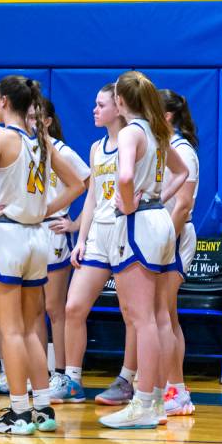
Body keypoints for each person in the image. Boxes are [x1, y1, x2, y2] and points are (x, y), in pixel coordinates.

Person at [0, 76, 84, 435]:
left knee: (10, 331)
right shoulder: (43, 141)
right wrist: (42, 208)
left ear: (3, 101)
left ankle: (19, 412)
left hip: (7, 235)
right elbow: (79, 184)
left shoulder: (0, 137)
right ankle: (43, 410)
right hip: (37, 237)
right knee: (32, 330)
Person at [98, 71, 188, 429]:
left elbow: (123, 177)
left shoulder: (132, 132)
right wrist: (156, 198)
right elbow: (179, 174)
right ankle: (157, 399)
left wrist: (131, 203)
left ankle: (145, 403)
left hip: (139, 225)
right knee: (160, 317)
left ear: (120, 101)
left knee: (142, 319)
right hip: (160, 223)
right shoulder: (158, 130)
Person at [53, 84, 129, 404]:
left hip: (126, 232)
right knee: (73, 307)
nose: (94, 110)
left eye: (101, 105)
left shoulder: (134, 140)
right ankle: (72, 380)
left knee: (132, 313)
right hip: (99, 233)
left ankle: (129, 379)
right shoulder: (97, 147)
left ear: (119, 107)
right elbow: (92, 198)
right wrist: (79, 238)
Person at [27, 99, 90, 390]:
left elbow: (92, 185)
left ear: (48, 121)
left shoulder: (62, 151)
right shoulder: (24, 149)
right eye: (26, 117)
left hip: (53, 228)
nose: (29, 122)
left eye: (34, 117)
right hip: (28, 229)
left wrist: (75, 223)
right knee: (34, 309)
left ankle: (63, 374)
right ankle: (40, 372)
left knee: (55, 308)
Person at [160, 90, 200, 416]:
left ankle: (176, 389)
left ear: (168, 116)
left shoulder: (182, 151)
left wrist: (163, 242)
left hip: (176, 234)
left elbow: (183, 205)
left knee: (164, 314)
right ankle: (177, 389)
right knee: (167, 315)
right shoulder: (162, 147)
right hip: (162, 236)